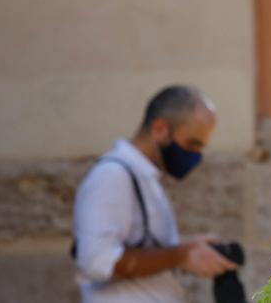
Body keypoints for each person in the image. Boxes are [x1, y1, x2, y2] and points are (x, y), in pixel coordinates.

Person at [72, 85, 236, 302]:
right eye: (192, 143)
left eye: (201, 147)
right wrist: (181, 255)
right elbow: (97, 260)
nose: (196, 155)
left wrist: (190, 251)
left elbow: (148, 251)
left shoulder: (145, 178)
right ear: (160, 129)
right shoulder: (112, 175)